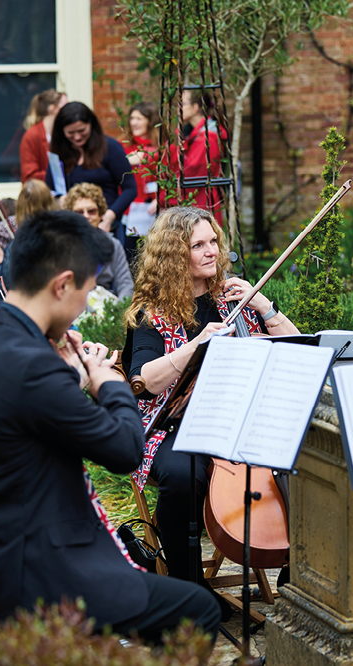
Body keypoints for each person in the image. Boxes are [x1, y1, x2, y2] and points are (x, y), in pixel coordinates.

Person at [0, 210, 220, 642]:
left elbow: (34, 420)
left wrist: (71, 376)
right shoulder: (34, 365)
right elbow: (126, 449)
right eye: (86, 294)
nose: (83, 308)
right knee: (197, 610)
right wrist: (106, 381)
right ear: (61, 285)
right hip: (38, 567)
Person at [122, 206, 300, 594]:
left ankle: (297, 573)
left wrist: (265, 307)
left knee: (304, 459)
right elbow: (144, 379)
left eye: (214, 242)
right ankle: (188, 591)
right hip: (175, 428)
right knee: (183, 475)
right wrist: (197, 344)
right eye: (198, 245)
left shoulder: (233, 298)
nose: (211, 252)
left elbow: (297, 349)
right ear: (173, 254)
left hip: (237, 424)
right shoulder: (153, 314)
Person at [45, 102, 138, 248]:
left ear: (91, 125)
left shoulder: (110, 148)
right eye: (70, 133)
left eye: (82, 131)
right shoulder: (60, 152)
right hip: (73, 229)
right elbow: (50, 189)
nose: (77, 137)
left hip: (106, 226)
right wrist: (59, 199)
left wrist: (108, 217)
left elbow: (130, 188)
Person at [62, 183, 134, 299]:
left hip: (107, 309)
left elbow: (126, 286)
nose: (86, 216)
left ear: (100, 214)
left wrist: (118, 313)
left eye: (91, 211)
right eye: (79, 212)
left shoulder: (113, 245)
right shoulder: (60, 245)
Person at [164, 90, 227, 223]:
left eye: (182, 104)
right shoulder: (192, 135)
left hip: (201, 205)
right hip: (193, 205)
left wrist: (165, 197)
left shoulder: (207, 138)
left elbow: (191, 174)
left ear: (195, 108)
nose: (178, 108)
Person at [123, 102, 164, 240]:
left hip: (153, 211)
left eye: (139, 119)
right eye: (132, 118)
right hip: (129, 211)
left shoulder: (162, 148)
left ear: (150, 121)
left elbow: (170, 177)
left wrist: (161, 198)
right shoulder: (125, 146)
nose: (134, 122)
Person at [19, 89, 67, 183]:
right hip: (41, 196)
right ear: (53, 109)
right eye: (64, 108)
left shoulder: (65, 134)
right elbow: (29, 177)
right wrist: (62, 175)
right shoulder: (32, 136)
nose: (68, 112)